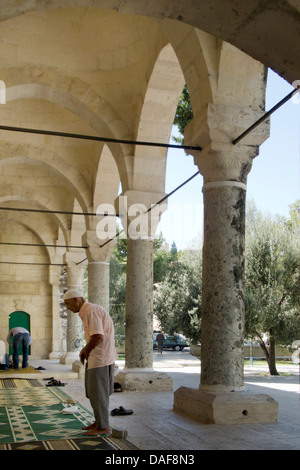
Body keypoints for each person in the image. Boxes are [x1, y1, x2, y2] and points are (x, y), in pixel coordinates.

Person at [63, 288, 117, 437]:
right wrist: (85, 351)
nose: (67, 307)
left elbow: (98, 336)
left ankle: (103, 427)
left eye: (68, 304)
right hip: (98, 358)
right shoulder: (89, 310)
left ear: (76, 300)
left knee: (98, 393)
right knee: (93, 393)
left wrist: (85, 350)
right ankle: (99, 422)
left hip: (101, 358)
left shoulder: (91, 310)